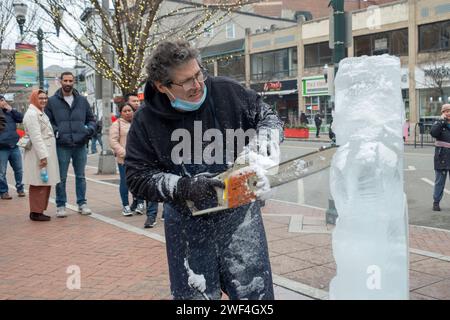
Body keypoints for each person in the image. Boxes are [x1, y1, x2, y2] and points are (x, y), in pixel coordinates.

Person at [125, 40, 282, 300]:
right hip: (187, 226)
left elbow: (270, 118)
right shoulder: (146, 120)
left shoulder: (228, 93)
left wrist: (260, 148)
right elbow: (137, 176)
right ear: (162, 86)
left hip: (241, 218)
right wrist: (184, 187)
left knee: (254, 296)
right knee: (195, 300)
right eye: (185, 81)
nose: (197, 85)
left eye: (198, 74)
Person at [45, 71, 96, 217]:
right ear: (60, 81)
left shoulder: (82, 100)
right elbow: (48, 122)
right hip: (62, 144)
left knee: (81, 176)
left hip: (80, 144)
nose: (68, 83)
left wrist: (88, 130)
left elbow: (91, 119)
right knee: (61, 177)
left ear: (73, 82)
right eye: (65, 81)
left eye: (70, 81)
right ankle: (61, 205)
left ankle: (82, 203)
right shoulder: (52, 101)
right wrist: (57, 132)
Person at [22, 90, 60, 221]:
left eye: (45, 98)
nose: (44, 100)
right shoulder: (32, 114)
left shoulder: (40, 112)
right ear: (34, 99)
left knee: (44, 182)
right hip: (39, 154)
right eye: (40, 98)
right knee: (38, 183)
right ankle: (36, 212)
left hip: (44, 151)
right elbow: (36, 137)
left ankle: (39, 210)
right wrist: (43, 156)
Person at [124, 92, 159, 226]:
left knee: (161, 186)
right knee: (150, 186)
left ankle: (153, 215)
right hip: (145, 157)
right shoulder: (140, 117)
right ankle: (150, 215)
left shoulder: (156, 114)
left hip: (158, 156)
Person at [109, 103, 138, 216]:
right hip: (124, 159)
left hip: (138, 158)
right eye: (125, 111)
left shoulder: (137, 122)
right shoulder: (117, 124)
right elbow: (113, 141)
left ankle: (138, 203)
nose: (127, 113)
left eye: (129, 110)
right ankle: (126, 205)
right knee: (125, 182)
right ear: (120, 112)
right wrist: (124, 153)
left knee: (137, 181)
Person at [0, 94, 25, 200]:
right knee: (2, 172)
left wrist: (11, 110)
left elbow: (21, 118)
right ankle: (4, 192)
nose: (3, 102)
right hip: (2, 148)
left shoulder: (10, 112)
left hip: (14, 146)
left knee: (19, 169)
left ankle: (20, 188)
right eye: (1, 100)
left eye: (3, 100)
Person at [430, 104, 450, 211]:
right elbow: (433, 133)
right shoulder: (438, 123)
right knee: (439, 182)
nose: (448, 113)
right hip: (441, 157)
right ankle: (436, 202)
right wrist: (442, 121)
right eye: (446, 111)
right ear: (442, 112)